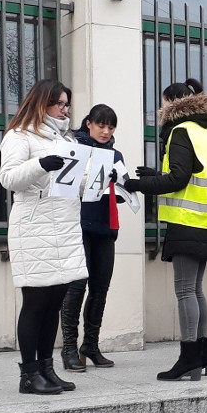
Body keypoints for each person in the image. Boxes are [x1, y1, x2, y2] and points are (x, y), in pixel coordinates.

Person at [123, 79, 207, 381]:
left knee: (184, 291)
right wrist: (158, 176)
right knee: (195, 290)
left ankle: (189, 357)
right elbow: (193, 175)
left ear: (173, 103)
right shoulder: (204, 133)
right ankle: (206, 354)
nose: (161, 109)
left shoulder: (180, 131)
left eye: (163, 103)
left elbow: (179, 179)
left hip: (187, 222)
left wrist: (140, 184)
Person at [0, 79, 86, 395]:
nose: (65, 109)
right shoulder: (19, 135)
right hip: (34, 229)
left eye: (66, 104)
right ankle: (28, 375)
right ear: (42, 103)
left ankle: (48, 369)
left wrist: (102, 187)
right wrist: (40, 164)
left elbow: (75, 183)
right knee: (35, 303)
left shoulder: (68, 139)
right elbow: (8, 178)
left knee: (54, 304)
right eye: (59, 103)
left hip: (64, 228)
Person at [60, 105, 124, 372]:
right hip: (79, 226)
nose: (106, 131)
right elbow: (63, 186)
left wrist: (118, 182)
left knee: (100, 288)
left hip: (105, 227)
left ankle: (91, 345)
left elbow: (123, 192)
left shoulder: (115, 154)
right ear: (89, 123)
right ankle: (68, 348)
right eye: (101, 125)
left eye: (110, 127)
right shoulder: (74, 146)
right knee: (76, 288)